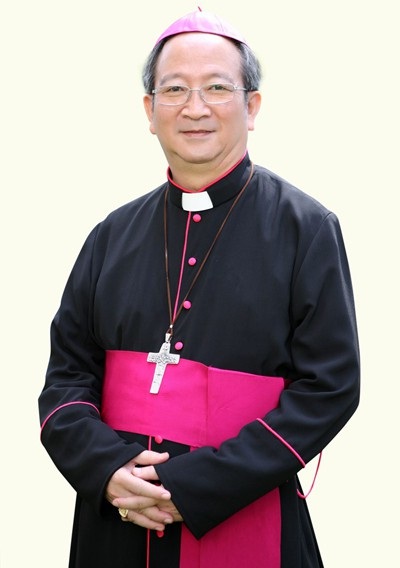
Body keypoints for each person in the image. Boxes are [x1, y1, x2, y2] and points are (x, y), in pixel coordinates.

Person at [38, 8, 360, 568]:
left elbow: (329, 388)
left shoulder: (306, 228)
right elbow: (67, 375)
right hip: (116, 520)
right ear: (149, 109)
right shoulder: (109, 236)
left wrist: (195, 487)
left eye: (216, 87)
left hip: (244, 510)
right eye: (175, 90)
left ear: (251, 105)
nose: (195, 108)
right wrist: (107, 471)